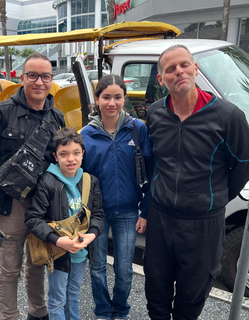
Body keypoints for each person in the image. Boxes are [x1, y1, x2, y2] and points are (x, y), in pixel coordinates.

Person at [144, 44, 249, 320]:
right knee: (155, 293)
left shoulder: (229, 117)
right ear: (161, 79)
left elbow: (244, 167)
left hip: (203, 225)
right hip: (161, 219)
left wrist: (212, 199)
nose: (179, 72)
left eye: (184, 65)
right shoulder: (156, 113)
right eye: (170, 69)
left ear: (195, 69)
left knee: (191, 299)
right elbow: (153, 161)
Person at [0, 52, 66, 320]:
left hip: (42, 205)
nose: (39, 82)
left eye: (45, 76)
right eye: (33, 75)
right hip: (8, 206)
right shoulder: (3, 112)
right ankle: (10, 316)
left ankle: (38, 313)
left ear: (51, 79)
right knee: (10, 269)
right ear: (22, 78)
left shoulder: (58, 117)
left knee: (37, 262)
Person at [80, 75, 153, 320]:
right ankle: (102, 310)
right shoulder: (85, 134)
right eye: (106, 97)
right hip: (97, 214)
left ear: (124, 98)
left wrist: (145, 210)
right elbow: (78, 177)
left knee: (124, 271)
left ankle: (120, 310)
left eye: (118, 97)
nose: (112, 103)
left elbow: (152, 170)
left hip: (128, 212)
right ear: (97, 99)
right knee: (97, 268)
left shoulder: (137, 128)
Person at [25, 127, 104, 320]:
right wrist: (58, 241)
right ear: (55, 156)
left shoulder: (90, 181)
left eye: (76, 153)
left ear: (83, 154)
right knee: (57, 300)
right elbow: (33, 218)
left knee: (73, 295)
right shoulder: (48, 181)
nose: (71, 159)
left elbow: (99, 215)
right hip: (58, 253)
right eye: (64, 154)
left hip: (80, 252)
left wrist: (90, 236)